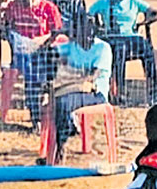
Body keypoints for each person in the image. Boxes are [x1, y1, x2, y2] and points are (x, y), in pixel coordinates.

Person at [0, 0, 64, 128]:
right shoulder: (12, 8)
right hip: (22, 52)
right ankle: (36, 116)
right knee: (29, 66)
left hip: (44, 48)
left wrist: (42, 41)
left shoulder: (47, 7)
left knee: (44, 63)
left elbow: (58, 32)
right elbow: (4, 31)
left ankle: (45, 97)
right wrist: (0, 15)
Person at [43, 14, 112, 156]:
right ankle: (64, 133)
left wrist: (67, 80)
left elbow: (91, 78)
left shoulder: (102, 48)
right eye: (80, 30)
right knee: (57, 100)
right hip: (73, 89)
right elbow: (46, 52)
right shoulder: (71, 46)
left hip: (95, 94)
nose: (86, 34)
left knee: (62, 101)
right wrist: (53, 38)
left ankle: (59, 148)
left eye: (89, 30)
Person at [89, 0, 157, 106]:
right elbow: (89, 15)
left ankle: (154, 93)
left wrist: (144, 22)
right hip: (112, 39)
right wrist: (97, 26)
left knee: (147, 49)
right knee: (119, 49)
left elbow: (156, 13)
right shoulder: (105, 2)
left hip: (132, 38)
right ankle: (119, 92)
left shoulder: (134, 2)